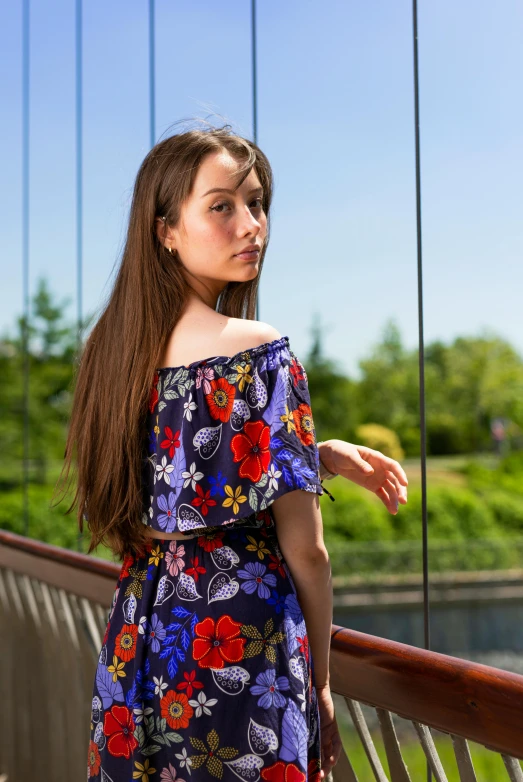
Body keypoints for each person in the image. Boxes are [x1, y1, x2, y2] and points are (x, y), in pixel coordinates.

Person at [61, 123, 407, 781]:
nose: (251, 225)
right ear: (165, 229)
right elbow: (306, 549)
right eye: (222, 205)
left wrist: (315, 453)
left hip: (140, 635)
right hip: (241, 645)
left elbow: (179, 479)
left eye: (257, 204)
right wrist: (321, 682)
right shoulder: (255, 349)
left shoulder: (109, 353)